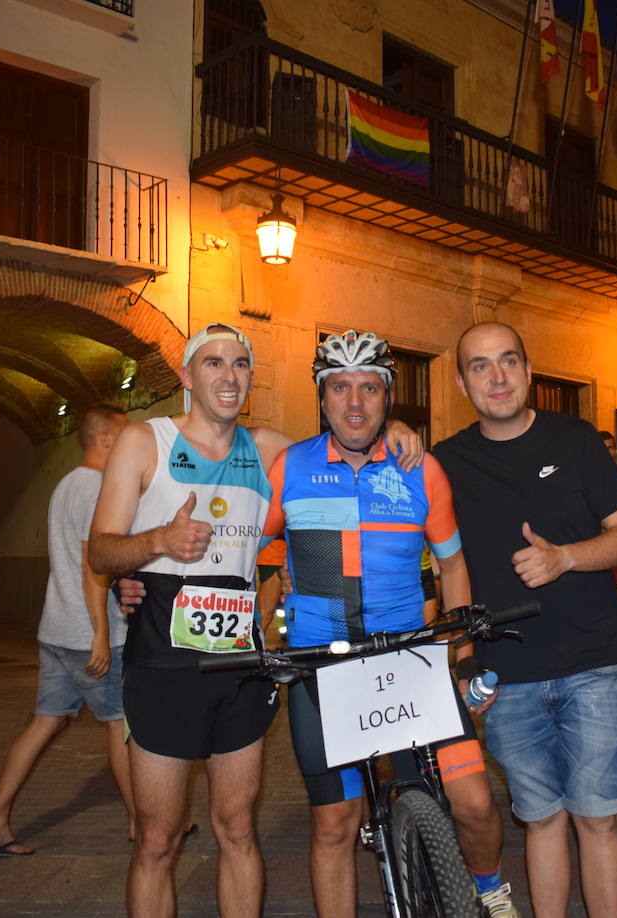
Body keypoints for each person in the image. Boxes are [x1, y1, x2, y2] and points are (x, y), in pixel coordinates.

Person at [89, 323, 426, 917]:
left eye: (241, 364)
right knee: (158, 839)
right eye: (214, 362)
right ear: (189, 376)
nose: (229, 374)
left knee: (239, 827)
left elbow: (345, 446)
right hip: (164, 664)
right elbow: (101, 551)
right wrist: (157, 543)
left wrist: (393, 430)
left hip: (244, 666)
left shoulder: (272, 449)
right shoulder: (147, 442)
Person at [260, 329, 518, 918]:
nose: (355, 402)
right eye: (341, 387)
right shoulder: (290, 468)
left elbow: (452, 565)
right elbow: (251, 545)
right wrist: (266, 614)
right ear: (322, 397)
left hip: (409, 658)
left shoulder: (419, 470)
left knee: (473, 800)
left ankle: (492, 893)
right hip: (320, 668)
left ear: (388, 398)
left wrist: (463, 653)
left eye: (370, 388)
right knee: (334, 825)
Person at [433, 321, 617, 918]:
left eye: (507, 362)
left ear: (529, 372)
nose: (496, 377)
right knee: (542, 820)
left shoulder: (576, 441)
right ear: (461, 382)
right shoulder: (445, 462)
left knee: (599, 820)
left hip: (593, 664)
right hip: (507, 674)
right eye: (480, 365)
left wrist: (566, 558)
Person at [0, 405, 132, 857]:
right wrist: (102, 632)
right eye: (124, 436)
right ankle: (146, 825)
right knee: (123, 727)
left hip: (55, 629)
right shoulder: (99, 487)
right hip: (89, 635)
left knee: (45, 723)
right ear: (105, 440)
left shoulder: (65, 484)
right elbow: (92, 565)